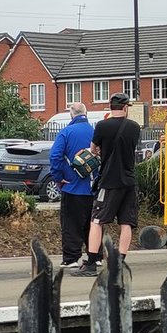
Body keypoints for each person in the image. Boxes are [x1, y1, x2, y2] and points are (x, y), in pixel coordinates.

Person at [73, 93, 141, 277]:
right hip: (129, 181)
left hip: (108, 181)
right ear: (125, 108)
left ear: (111, 107)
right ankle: (120, 261)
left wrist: (101, 150)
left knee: (97, 221)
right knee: (126, 222)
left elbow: (93, 149)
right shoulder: (134, 127)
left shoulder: (102, 126)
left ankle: (92, 263)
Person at [49, 103, 95, 268]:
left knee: (71, 225)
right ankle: (95, 256)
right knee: (93, 224)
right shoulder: (95, 132)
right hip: (93, 187)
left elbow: (55, 156)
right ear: (85, 113)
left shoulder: (66, 132)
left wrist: (58, 177)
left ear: (71, 114)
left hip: (72, 187)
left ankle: (71, 258)